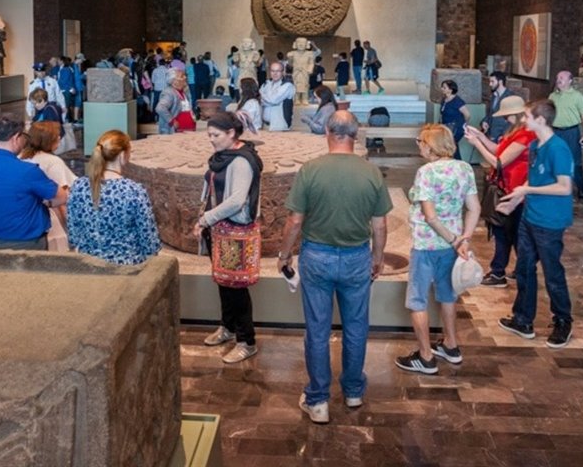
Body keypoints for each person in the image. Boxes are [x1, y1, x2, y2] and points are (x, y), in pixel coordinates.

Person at [278, 111, 394, 424]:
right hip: (357, 256)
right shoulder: (370, 172)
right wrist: (378, 257)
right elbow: (380, 223)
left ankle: (318, 401)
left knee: (317, 329)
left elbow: (295, 220)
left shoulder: (311, 170)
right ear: (356, 134)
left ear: (328, 130)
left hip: (316, 256)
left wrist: (285, 254)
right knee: (356, 327)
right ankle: (354, 391)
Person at [395, 125, 480, 375]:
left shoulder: (426, 172)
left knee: (417, 301)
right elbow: (474, 208)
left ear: (430, 146)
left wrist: (455, 239)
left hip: (426, 245)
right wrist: (464, 239)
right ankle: (451, 346)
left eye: (420, 141)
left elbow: (430, 217)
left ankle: (426, 357)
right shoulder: (464, 168)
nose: (418, 145)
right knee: (447, 295)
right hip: (452, 247)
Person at [495, 99, 575, 349]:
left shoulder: (558, 148)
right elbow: (534, 180)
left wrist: (526, 188)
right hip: (529, 216)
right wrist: (516, 199)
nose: (524, 121)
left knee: (552, 273)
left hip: (550, 221)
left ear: (540, 120)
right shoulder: (536, 145)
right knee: (524, 268)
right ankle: (523, 319)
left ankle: (562, 320)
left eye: (527, 116)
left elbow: (564, 187)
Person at [197, 112, 264, 364]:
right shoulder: (223, 156)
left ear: (231, 134)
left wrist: (206, 218)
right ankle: (228, 327)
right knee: (223, 281)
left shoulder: (242, 161)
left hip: (236, 229)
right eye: (209, 135)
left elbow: (237, 200)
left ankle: (247, 341)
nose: (211, 140)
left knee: (236, 287)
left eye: (216, 135)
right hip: (221, 227)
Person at [0, 114, 68, 250]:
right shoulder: (27, 171)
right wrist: (45, 203)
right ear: (16, 138)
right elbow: (62, 196)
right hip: (26, 244)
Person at [465, 96, 535, 287]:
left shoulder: (525, 135)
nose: (504, 119)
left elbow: (499, 162)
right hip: (506, 187)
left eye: (507, 116)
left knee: (509, 233)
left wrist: (477, 144)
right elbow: (498, 150)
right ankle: (512, 269)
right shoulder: (514, 130)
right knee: (506, 232)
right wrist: (480, 137)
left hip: (515, 190)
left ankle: (503, 272)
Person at [67, 130, 161, 265]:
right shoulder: (133, 191)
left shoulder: (79, 186)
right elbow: (149, 242)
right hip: (126, 268)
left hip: (88, 266)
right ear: (123, 155)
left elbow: (73, 235)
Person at [20, 121, 77, 251]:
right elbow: (62, 200)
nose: (59, 137)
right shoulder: (53, 162)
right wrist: (71, 229)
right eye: (56, 135)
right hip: (53, 221)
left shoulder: (20, 158)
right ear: (47, 140)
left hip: (28, 218)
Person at [549, 70, 583, 199]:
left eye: (561, 77)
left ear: (570, 80)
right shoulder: (552, 96)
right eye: (557, 77)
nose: (558, 79)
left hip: (571, 132)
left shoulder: (577, 96)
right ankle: (558, 187)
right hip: (555, 131)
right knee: (555, 159)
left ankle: (580, 187)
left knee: (575, 162)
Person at [155, 68, 196, 134]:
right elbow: (160, 108)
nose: (185, 77)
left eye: (184, 75)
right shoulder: (169, 92)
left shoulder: (184, 91)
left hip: (187, 131)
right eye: (182, 76)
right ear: (174, 81)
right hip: (175, 132)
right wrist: (172, 121)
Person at [438, 80, 470, 159]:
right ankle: (456, 163)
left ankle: (457, 163)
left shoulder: (457, 101)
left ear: (450, 89)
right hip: (447, 127)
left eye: (444, 87)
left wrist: (464, 124)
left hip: (456, 127)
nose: (442, 89)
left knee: (451, 144)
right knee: (452, 145)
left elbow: (467, 115)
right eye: (442, 87)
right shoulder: (444, 100)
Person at [260, 61, 295, 131]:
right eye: (273, 71)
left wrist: (264, 98)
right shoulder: (266, 83)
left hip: (280, 126)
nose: (275, 74)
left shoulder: (287, 85)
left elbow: (274, 100)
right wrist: (269, 100)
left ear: (283, 72)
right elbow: (259, 99)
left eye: (278, 71)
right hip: (265, 126)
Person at [481, 71, 515, 142]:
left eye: (492, 81)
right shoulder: (493, 95)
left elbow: (512, 120)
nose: (490, 84)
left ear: (500, 82)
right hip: (491, 134)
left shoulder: (510, 96)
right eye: (490, 82)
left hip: (502, 136)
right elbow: (490, 113)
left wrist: (504, 135)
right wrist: (484, 122)